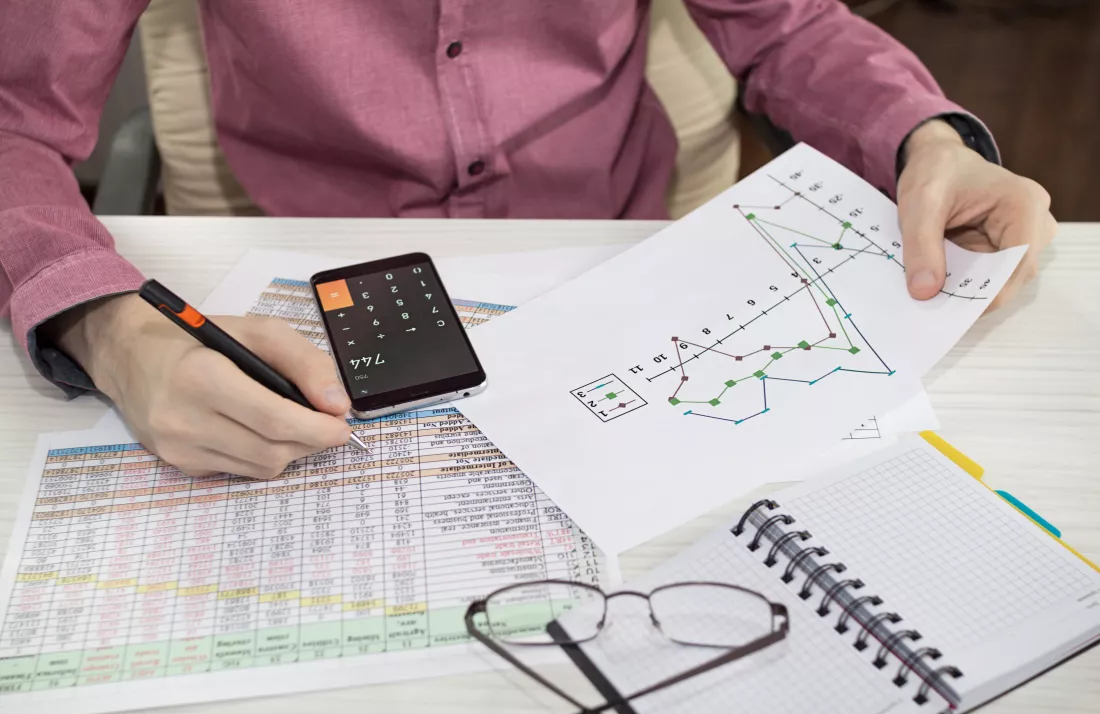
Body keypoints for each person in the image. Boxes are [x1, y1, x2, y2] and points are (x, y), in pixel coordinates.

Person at [0, 0, 1055, 480]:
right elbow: (13, 118)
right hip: (315, 264)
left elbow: (783, 25)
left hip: (620, 256)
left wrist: (923, 134)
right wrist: (104, 327)